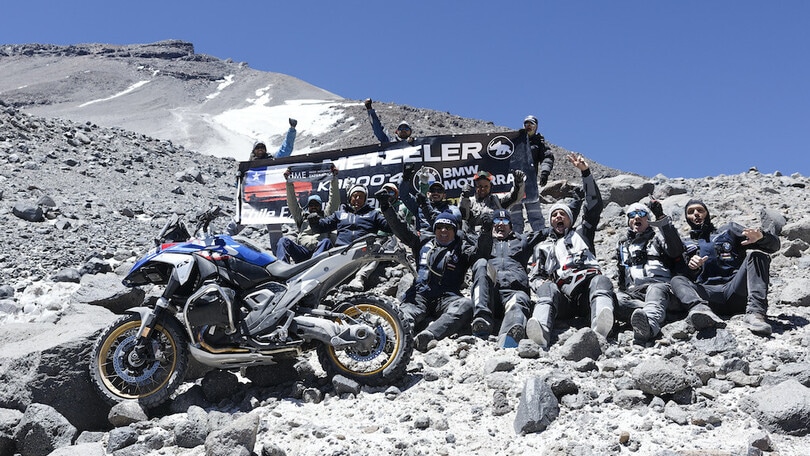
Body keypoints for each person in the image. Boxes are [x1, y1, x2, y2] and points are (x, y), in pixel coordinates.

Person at [525, 153, 615, 347]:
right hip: (562, 300)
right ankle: (540, 331)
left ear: (570, 219)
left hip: (586, 296)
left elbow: (594, 206)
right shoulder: (542, 247)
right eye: (554, 214)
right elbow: (535, 276)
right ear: (550, 221)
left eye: (563, 214)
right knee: (546, 288)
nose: (558, 217)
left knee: (601, 280)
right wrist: (546, 284)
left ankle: (601, 326)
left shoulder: (582, 234)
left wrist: (586, 173)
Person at [377, 200, 491, 352]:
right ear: (434, 229)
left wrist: (487, 232)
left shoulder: (462, 247)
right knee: (404, 314)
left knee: (466, 305)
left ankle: (429, 335)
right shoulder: (422, 241)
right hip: (419, 295)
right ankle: (392, 341)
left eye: (448, 227)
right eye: (439, 227)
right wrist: (387, 208)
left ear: (455, 229)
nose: (443, 230)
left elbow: (481, 255)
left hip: (447, 297)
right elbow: (402, 230)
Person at [614, 200, 724, 344]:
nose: (637, 217)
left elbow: (676, 249)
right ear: (628, 220)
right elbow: (621, 274)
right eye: (632, 214)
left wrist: (662, 219)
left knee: (655, 289)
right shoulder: (622, 246)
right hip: (635, 292)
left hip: (663, 288)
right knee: (616, 299)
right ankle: (659, 313)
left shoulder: (658, 237)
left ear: (648, 218)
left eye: (641, 213)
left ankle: (650, 326)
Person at [669, 199, 781, 336]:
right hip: (708, 297)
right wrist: (693, 268)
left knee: (756, 255)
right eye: (691, 212)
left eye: (700, 210)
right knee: (676, 279)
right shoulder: (685, 244)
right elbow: (684, 277)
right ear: (687, 218)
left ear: (707, 213)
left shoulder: (729, 231)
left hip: (736, 290)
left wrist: (761, 237)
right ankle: (701, 311)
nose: (696, 214)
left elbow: (774, 247)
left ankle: (756, 314)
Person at [470, 209, 548, 347]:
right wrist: (486, 232)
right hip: (490, 295)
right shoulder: (483, 240)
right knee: (481, 263)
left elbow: (549, 232)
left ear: (511, 226)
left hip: (514, 292)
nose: (501, 224)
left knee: (519, 302)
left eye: (505, 221)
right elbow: (477, 251)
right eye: (496, 221)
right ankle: (482, 320)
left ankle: (508, 339)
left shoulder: (522, 240)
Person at [345, 182, 412, 291]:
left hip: (396, 238)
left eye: (391, 191)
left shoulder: (404, 207)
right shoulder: (375, 211)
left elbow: (415, 204)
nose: (388, 194)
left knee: (388, 242)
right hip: (377, 239)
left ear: (396, 194)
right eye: (385, 192)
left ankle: (361, 277)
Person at [275, 165, 340, 263]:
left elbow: (334, 200)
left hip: (320, 252)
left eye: (316, 204)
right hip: (303, 252)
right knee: (283, 241)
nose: (313, 207)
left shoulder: (327, 217)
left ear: (321, 206)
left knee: (326, 241)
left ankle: (313, 264)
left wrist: (334, 178)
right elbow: (292, 202)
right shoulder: (302, 218)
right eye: (311, 205)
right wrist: (289, 182)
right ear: (308, 207)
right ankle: (282, 267)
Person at [308, 183, 390, 248]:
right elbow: (320, 228)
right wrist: (314, 222)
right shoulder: (339, 214)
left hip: (365, 250)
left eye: (361, 197)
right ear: (350, 198)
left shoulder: (373, 214)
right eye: (355, 196)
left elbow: (390, 227)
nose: (357, 198)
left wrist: (387, 208)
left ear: (365, 200)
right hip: (342, 251)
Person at [510, 115, 554, 234]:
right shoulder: (515, 141)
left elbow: (547, 157)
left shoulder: (539, 143)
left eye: (531, 124)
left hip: (530, 185)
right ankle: (515, 244)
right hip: (514, 185)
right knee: (515, 219)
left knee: (536, 217)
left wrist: (545, 172)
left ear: (536, 127)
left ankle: (540, 241)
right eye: (526, 124)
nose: (528, 126)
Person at [459, 169, 525, 234]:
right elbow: (463, 216)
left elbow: (515, 197)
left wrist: (518, 182)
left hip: (496, 236)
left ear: (491, 187)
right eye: (480, 186)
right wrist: (464, 197)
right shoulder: (469, 201)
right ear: (475, 187)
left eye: (486, 186)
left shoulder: (497, 200)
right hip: (475, 238)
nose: (482, 189)